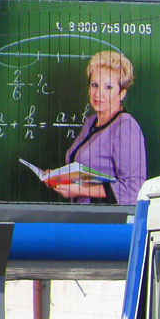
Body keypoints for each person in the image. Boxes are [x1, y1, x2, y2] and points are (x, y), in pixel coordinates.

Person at [52, 50, 147, 204]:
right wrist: (58, 177)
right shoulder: (90, 123)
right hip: (81, 217)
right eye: (94, 85)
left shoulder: (126, 128)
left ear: (122, 93)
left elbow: (133, 188)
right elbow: (82, 170)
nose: (98, 94)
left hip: (106, 223)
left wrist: (79, 190)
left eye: (108, 87)